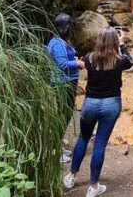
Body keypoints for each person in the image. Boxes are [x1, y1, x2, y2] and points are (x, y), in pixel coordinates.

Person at [63, 27, 133, 197]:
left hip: (90, 104)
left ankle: (71, 176)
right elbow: (131, 62)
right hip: (111, 105)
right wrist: (122, 43)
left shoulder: (89, 58)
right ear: (115, 42)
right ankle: (93, 186)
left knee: (83, 139)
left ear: (99, 41)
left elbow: (82, 63)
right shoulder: (120, 60)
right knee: (99, 144)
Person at [47, 13, 83, 163]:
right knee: (62, 116)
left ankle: (57, 146)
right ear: (66, 27)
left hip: (66, 82)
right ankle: (54, 150)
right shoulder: (58, 44)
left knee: (64, 114)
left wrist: (73, 59)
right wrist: (79, 64)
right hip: (63, 83)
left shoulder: (58, 41)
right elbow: (62, 64)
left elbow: (62, 59)